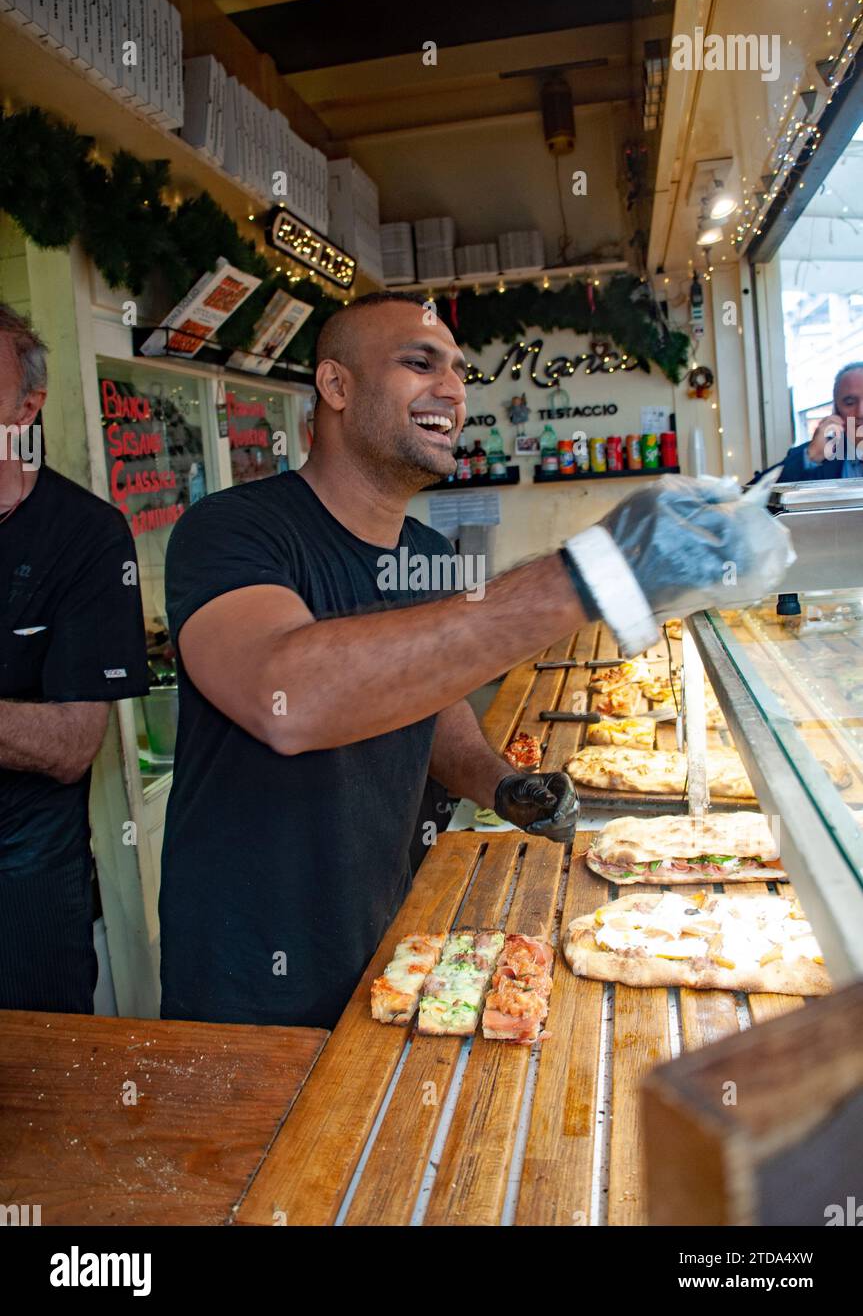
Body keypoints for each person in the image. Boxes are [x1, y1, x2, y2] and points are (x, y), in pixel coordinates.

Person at [159, 291, 792, 1031]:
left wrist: (503, 785)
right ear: (335, 386)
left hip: (385, 926)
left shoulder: (428, 555)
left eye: (459, 371)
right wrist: (589, 575)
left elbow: (431, 708)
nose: (453, 390)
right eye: (419, 363)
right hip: (249, 967)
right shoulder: (233, 529)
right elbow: (288, 700)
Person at [0, 304, 149, 1013]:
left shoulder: (86, 538)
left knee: (37, 1084)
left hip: (21, 871)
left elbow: (71, 744)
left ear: (26, 407)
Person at [778, 363, 863, 481]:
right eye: (849, 402)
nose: (860, 413)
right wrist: (811, 456)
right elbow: (752, 493)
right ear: (836, 411)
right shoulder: (817, 452)